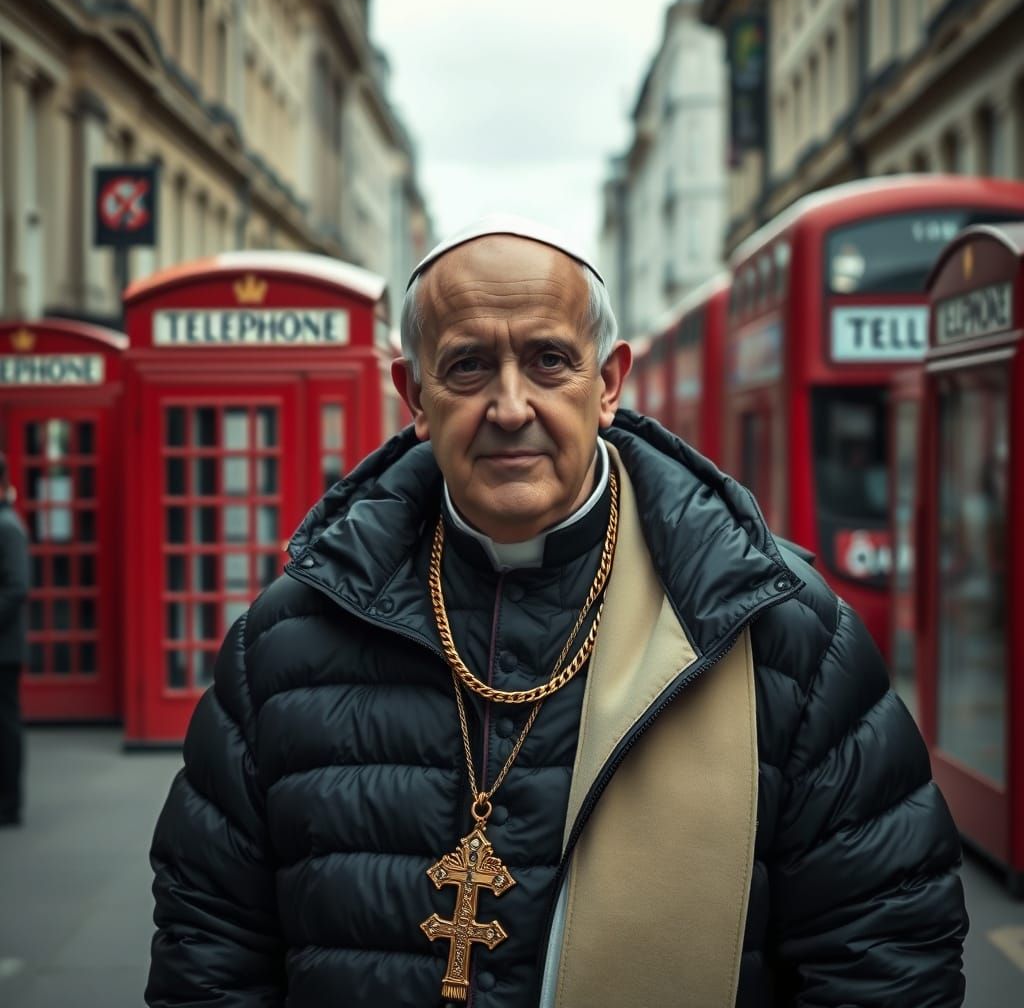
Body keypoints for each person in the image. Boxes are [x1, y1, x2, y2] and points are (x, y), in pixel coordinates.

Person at [147, 216, 967, 1008]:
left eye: (548, 361)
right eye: (468, 367)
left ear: (607, 382)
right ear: (415, 394)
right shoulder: (285, 639)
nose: (510, 408)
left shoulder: (784, 630)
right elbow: (210, 947)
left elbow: (884, 948)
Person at [0, 451, 29, 826]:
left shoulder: (8, 526)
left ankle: (9, 802)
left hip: (4, 648)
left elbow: (17, 586)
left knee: (5, 726)